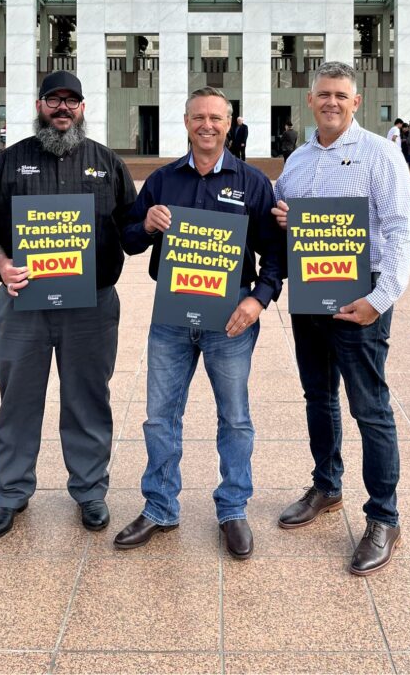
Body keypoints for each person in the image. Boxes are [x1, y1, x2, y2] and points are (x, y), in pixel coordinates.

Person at [114, 86, 282, 561]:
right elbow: (128, 239)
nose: (207, 125)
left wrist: (259, 300)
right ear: (185, 123)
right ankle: (160, 506)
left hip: (229, 318)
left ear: (230, 124)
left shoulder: (252, 182)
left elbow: (274, 253)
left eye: (216, 118)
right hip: (171, 319)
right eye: (198, 117)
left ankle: (232, 509)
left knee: (235, 418)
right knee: (159, 418)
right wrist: (146, 223)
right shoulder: (163, 180)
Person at [0, 70, 137, 541]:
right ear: (39, 105)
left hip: (93, 307)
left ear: (83, 109)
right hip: (24, 304)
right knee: (18, 400)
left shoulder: (107, 164)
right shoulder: (7, 164)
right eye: (54, 100)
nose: (63, 109)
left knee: (88, 398)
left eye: (72, 102)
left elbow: (130, 227)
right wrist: (1, 263)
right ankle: (10, 493)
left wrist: (158, 227)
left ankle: (89, 490)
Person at [272, 61, 410, 576]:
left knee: (370, 407)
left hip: (362, 297)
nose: (331, 102)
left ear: (356, 102)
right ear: (309, 101)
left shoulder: (380, 153)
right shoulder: (298, 160)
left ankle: (384, 516)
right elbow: (285, 218)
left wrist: (383, 297)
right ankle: (327, 486)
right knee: (318, 396)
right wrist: (284, 217)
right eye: (323, 94)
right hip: (311, 294)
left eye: (341, 95)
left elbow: (402, 228)